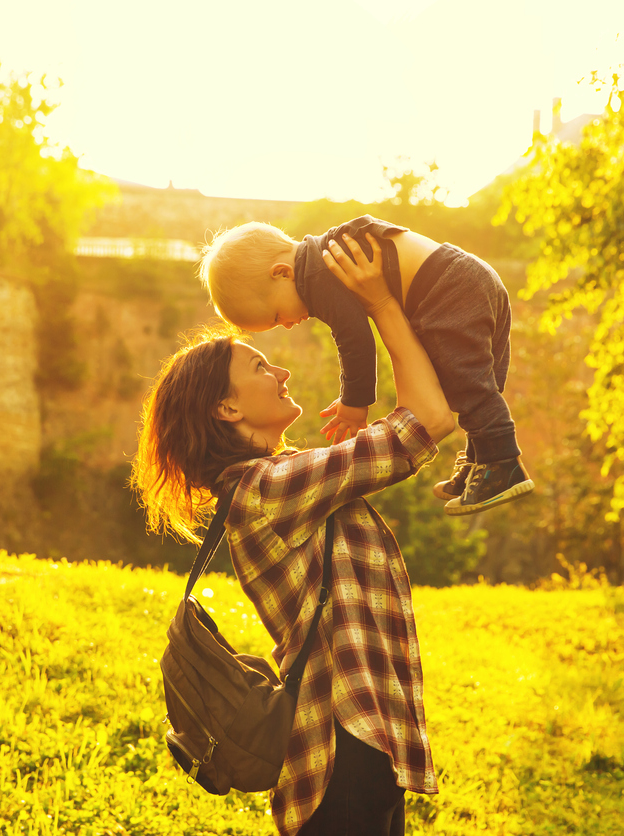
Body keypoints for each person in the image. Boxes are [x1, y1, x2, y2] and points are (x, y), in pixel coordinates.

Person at [133, 236, 454, 836]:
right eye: (258, 366)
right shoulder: (269, 490)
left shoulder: (287, 483)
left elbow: (422, 413)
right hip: (341, 753)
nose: (279, 369)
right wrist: (380, 302)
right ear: (227, 410)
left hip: (364, 745)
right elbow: (429, 421)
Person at [198, 215, 534, 515]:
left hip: (448, 288)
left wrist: (355, 405)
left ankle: (501, 462)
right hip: (471, 276)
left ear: (283, 274)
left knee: (469, 387)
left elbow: (355, 339)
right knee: (468, 385)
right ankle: (480, 459)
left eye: (276, 317)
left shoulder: (319, 276)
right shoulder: (325, 254)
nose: (287, 324)